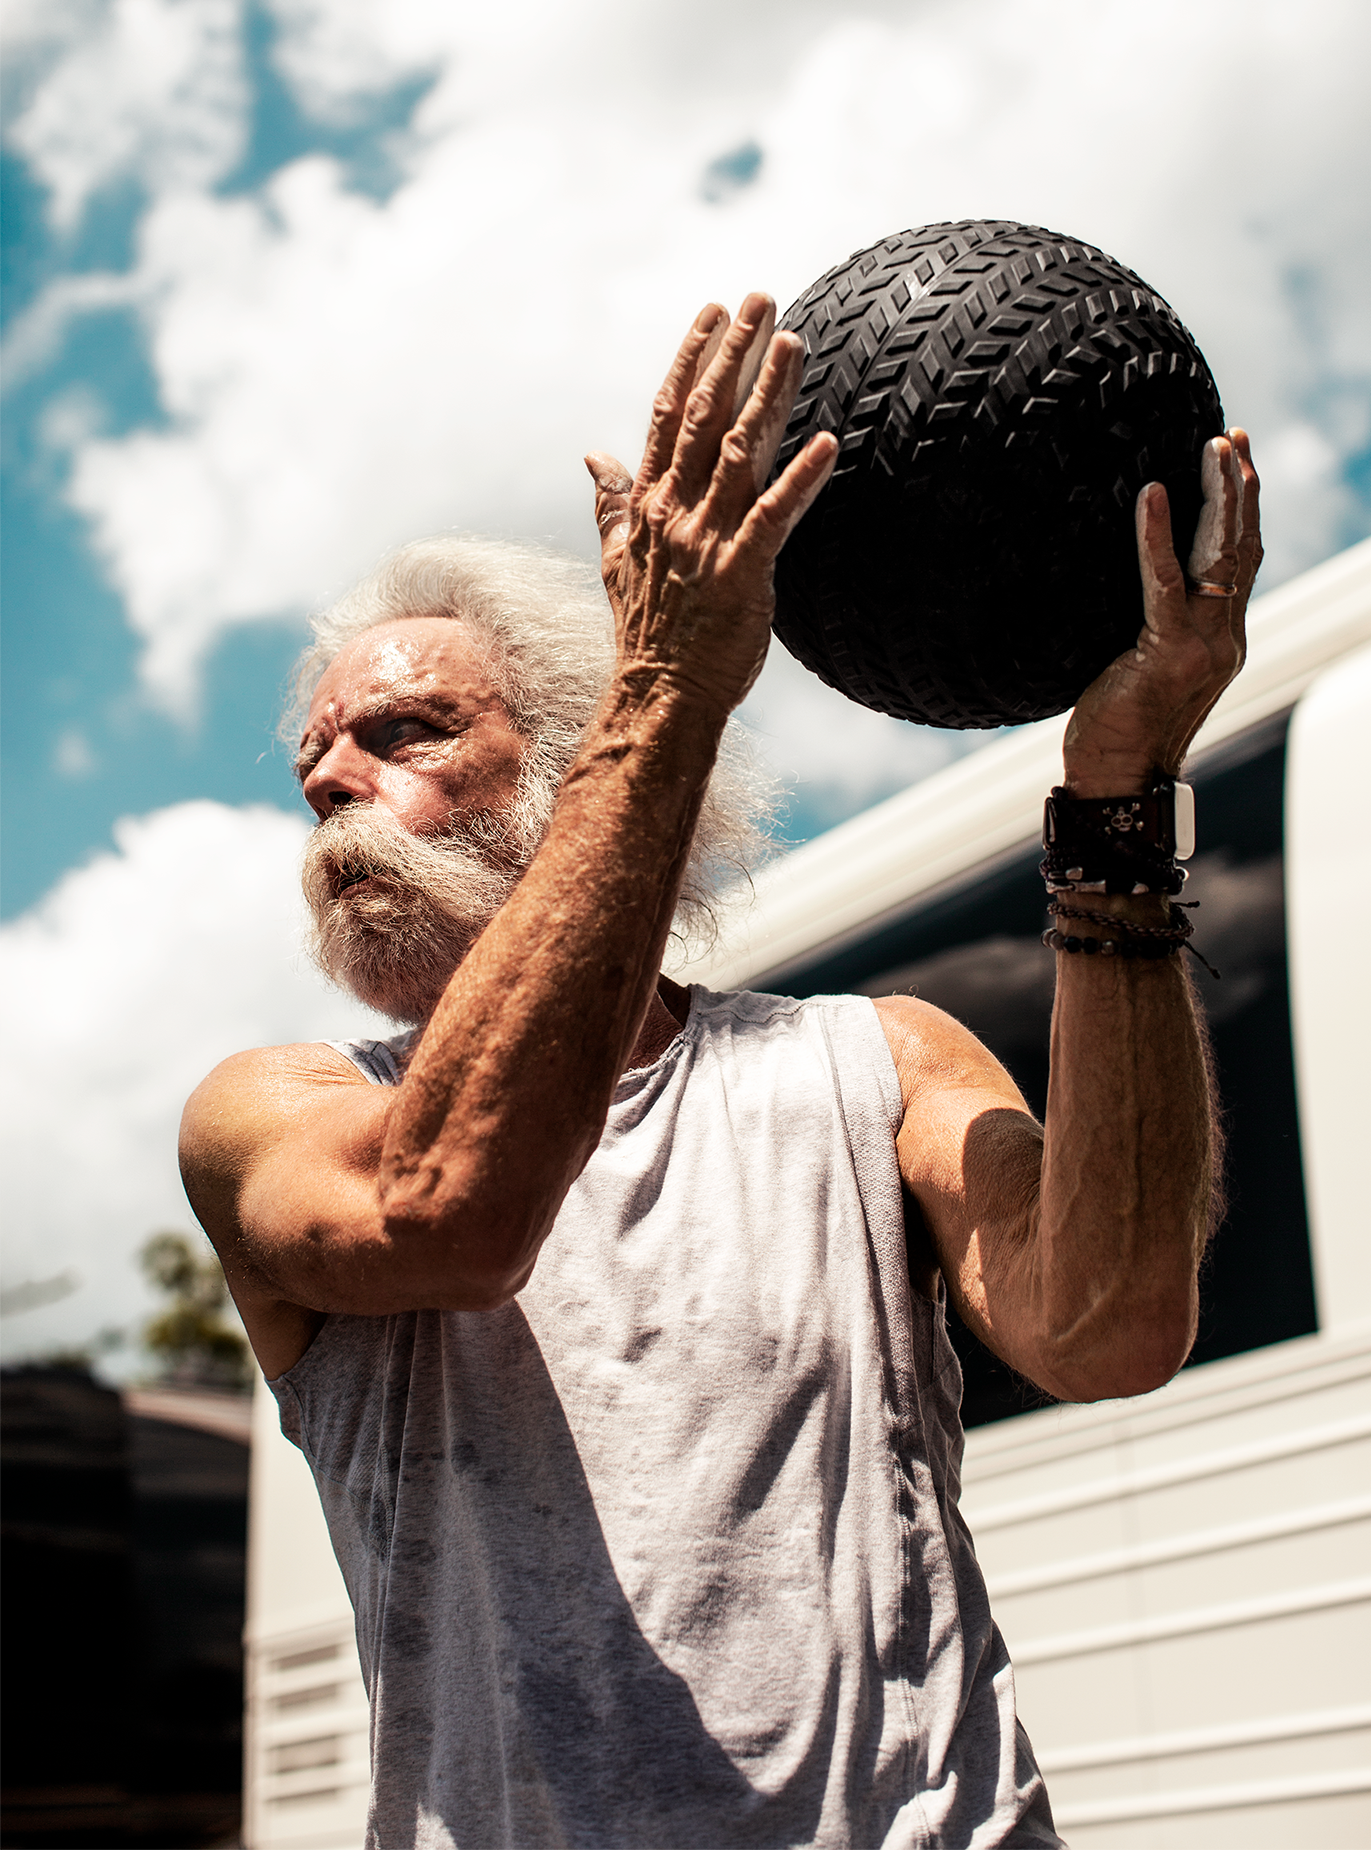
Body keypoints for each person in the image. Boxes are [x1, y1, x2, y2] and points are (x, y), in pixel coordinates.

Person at [182, 294, 1261, 1849]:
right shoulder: (270, 1115)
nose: (333, 785)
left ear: (576, 758)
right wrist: (672, 684)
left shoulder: (871, 1061)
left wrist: (1118, 789)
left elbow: (1107, 1324)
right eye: (315, 768)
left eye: (406, 733)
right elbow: (451, 1211)